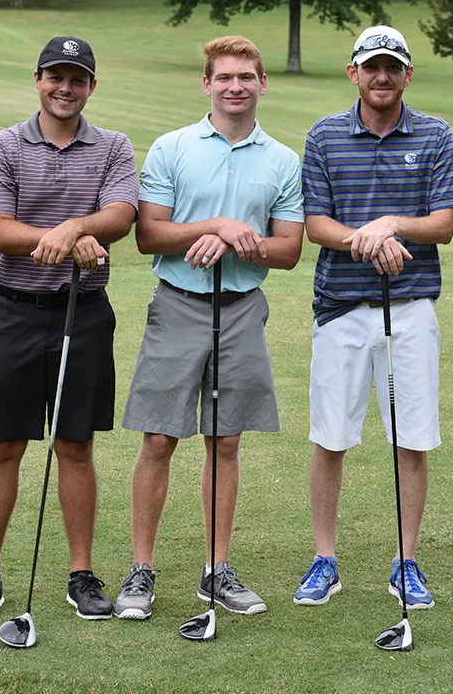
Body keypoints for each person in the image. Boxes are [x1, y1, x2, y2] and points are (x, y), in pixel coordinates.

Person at [114, 36, 303, 621]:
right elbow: (149, 234)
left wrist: (238, 242)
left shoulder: (282, 160)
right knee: (158, 438)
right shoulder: (172, 148)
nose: (235, 86)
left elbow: (289, 250)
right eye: (224, 77)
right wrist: (218, 225)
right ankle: (142, 569)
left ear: (262, 84)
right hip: (178, 304)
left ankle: (217, 570)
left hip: (242, 308)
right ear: (206, 84)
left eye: (246, 77)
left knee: (225, 440)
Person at [0, 36, 138, 622]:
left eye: (77, 79)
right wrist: (65, 238)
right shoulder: (3, 145)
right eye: (55, 77)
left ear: (91, 87)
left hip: (83, 312)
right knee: (3, 444)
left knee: (75, 445)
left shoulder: (113, 146)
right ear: (38, 79)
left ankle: (81, 574)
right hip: (12, 309)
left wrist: (76, 227)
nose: (66, 88)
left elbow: (121, 216)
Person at [294, 25, 453, 610]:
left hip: (411, 308)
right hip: (341, 309)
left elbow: (442, 225)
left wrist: (389, 224)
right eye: (372, 66)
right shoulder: (323, 135)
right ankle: (324, 559)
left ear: (407, 75)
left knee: (411, 439)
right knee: (330, 437)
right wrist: (369, 240)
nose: (382, 76)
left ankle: (405, 561)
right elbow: (316, 224)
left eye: (393, 66)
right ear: (354, 73)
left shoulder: (435, 134)